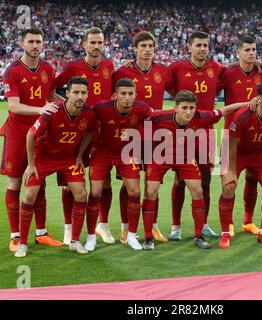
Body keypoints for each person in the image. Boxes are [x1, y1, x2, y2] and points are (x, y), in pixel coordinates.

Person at [143, 90, 250, 249]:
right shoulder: (159, 117)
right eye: (184, 107)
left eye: (191, 107)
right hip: (160, 157)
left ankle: (198, 235)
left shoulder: (201, 116)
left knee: (198, 190)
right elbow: (138, 120)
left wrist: (249, 103)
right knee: (150, 191)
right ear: (176, 108)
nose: (188, 111)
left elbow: (225, 110)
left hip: (185, 157)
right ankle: (148, 238)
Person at [15, 77, 97, 257]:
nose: (80, 96)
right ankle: (22, 243)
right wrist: (30, 165)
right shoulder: (52, 112)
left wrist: (79, 155)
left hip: (68, 160)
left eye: (83, 93)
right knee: (29, 195)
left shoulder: (89, 114)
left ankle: (75, 241)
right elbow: (30, 135)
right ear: (67, 94)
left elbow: (91, 131)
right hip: (44, 159)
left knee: (81, 194)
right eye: (75, 92)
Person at [0, 26, 63, 253]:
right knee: (15, 183)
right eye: (31, 41)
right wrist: (41, 110)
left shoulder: (48, 68)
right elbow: (13, 106)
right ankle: (15, 236)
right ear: (22, 44)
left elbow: (50, 97)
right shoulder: (12, 71)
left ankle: (41, 233)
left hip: (40, 135)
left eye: (38, 41)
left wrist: (69, 105)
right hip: (17, 134)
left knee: (40, 182)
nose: (35, 45)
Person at [55, 27, 115, 246]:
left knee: (104, 181)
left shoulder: (109, 66)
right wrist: (67, 109)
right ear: (84, 44)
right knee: (69, 181)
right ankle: (68, 227)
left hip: (102, 131)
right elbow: (51, 88)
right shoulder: (73, 67)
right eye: (92, 42)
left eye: (100, 42)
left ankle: (103, 224)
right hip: (77, 131)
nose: (96, 46)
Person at [112, 31, 173, 244]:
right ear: (135, 48)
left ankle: (153, 226)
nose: (147, 50)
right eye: (143, 46)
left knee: (153, 182)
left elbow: (179, 91)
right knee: (128, 184)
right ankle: (125, 228)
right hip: (131, 136)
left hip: (156, 135)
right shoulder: (122, 72)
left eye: (151, 46)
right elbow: (112, 99)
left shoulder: (163, 72)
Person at [82, 78, 154, 251]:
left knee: (135, 192)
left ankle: (131, 235)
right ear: (115, 95)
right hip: (102, 152)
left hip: (126, 153)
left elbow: (156, 116)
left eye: (130, 94)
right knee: (95, 193)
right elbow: (84, 117)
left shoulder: (142, 108)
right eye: (123, 94)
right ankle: (91, 237)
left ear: (135, 95)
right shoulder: (101, 108)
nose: (127, 97)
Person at [168, 31, 226, 240]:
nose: (202, 49)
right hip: (182, 132)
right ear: (189, 48)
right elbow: (161, 83)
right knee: (180, 179)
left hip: (206, 132)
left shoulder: (216, 68)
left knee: (206, 180)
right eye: (198, 45)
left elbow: (236, 74)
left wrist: (255, 63)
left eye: (205, 45)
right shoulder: (176, 68)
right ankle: (176, 226)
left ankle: (203, 224)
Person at [219, 82, 262, 248]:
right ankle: (225, 233)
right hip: (233, 152)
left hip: (257, 152)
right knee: (229, 186)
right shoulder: (243, 115)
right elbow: (232, 144)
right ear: (258, 99)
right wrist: (232, 171)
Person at [218, 35, 262, 237]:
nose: (251, 53)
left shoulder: (261, 73)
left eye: (254, 50)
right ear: (238, 52)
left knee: (253, 178)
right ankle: (228, 223)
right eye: (247, 50)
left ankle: (248, 222)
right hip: (229, 137)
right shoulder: (229, 73)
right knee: (228, 183)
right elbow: (210, 87)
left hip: (256, 137)